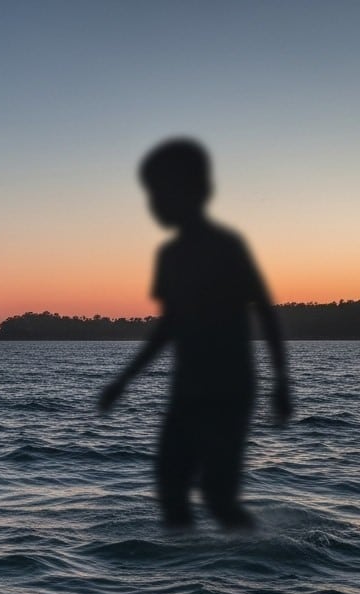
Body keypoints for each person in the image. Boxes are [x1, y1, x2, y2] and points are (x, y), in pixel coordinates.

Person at [98, 138, 292, 531]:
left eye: (162, 192)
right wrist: (124, 381)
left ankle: (257, 573)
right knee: (171, 493)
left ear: (197, 190)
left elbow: (265, 313)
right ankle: (188, 579)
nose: (154, 204)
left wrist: (282, 382)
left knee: (217, 497)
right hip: (188, 389)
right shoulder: (170, 256)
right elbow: (169, 325)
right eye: (150, 194)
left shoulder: (226, 247)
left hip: (230, 388)